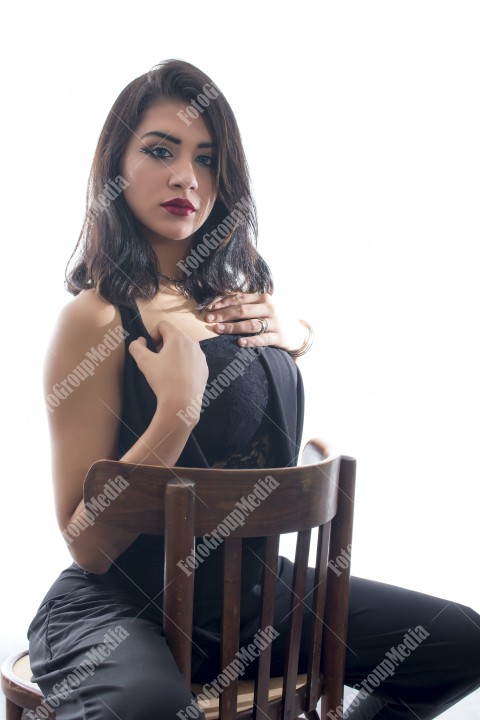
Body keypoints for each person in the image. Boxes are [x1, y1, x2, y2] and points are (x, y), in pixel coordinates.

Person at [28, 59, 479, 720]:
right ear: (115, 167)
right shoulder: (97, 320)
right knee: (147, 710)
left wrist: (298, 335)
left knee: (461, 641)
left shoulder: (238, 301)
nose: (187, 177)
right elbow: (87, 544)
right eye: (160, 151)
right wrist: (174, 415)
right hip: (121, 605)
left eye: (207, 160)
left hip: (256, 597)